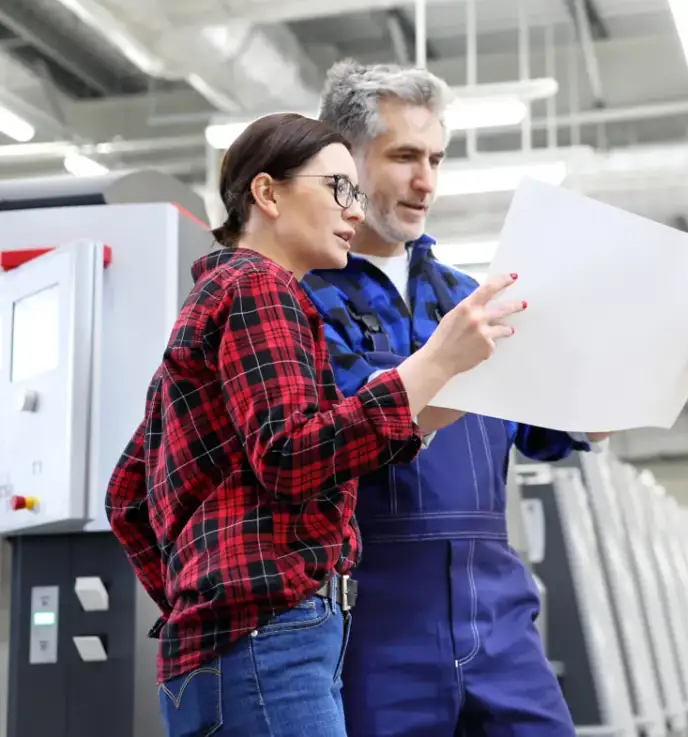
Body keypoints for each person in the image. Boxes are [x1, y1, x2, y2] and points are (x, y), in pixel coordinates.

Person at [302, 59, 688, 737]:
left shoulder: (472, 299)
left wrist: (672, 362)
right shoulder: (297, 300)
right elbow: (316, 443)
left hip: (498, 617)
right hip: (373, 622)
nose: (427, 181)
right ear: (344, 164)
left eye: (437, 159)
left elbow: (563, 423)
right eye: (405, 156)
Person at [104, 112, 526, 737]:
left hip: (228, 648)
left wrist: (201, 601)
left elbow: (127, 494)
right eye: (337, 187)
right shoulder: (261, 291)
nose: (354, 209)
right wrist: (433, 361)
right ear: (268, 193)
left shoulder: (212, 301)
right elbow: (291, 455)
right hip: (272, 638)